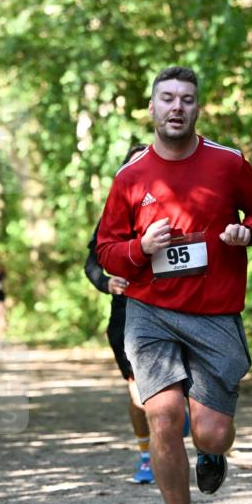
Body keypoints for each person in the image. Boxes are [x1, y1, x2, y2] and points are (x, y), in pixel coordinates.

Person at [96, 66, 252, 504]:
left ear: (198, 109)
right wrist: (140, 247)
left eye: (187, 99)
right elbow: (105, 250)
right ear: (152, 109)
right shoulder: (130, 177)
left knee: (211, 431)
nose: (177, 107)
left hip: (215, 312)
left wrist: (249, 233)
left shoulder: (228, 164)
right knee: (162, 415)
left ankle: (214, 453)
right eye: (167, 99)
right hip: (150, 311)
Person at [85, 144, 155, 484]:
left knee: (174, 393)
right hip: (126, 316)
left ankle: (180, 419)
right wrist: (105, 281)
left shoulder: (173, 206)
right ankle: (146, 456)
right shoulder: (113, 214)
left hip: (176, 310)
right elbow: (92, 262)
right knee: (138, 392)